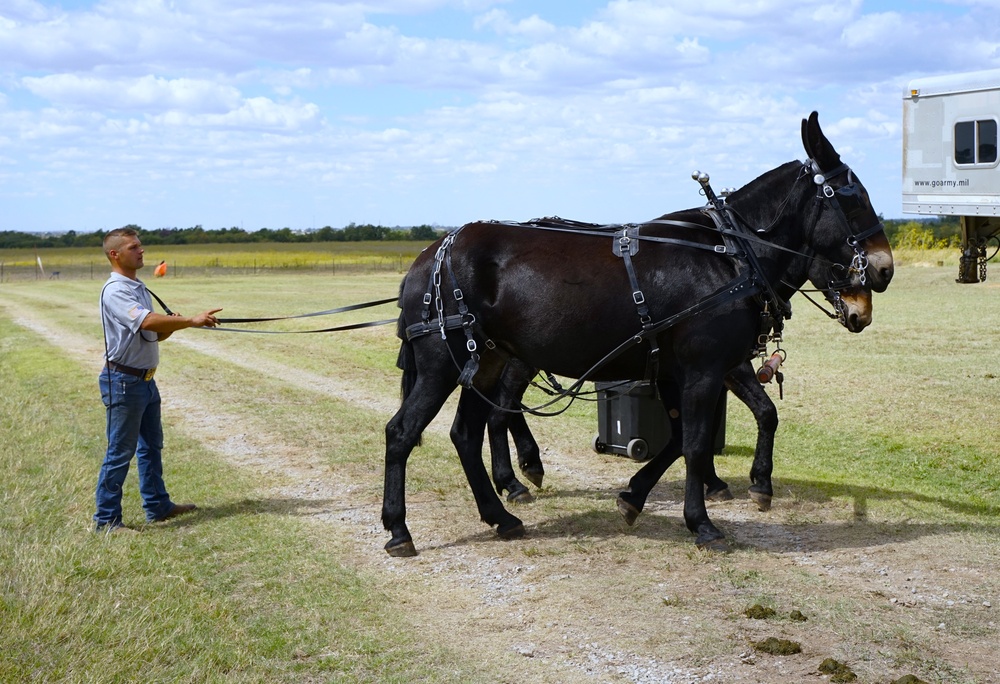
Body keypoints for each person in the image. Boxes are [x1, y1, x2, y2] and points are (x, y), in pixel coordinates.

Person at [94, 227, 222, 534]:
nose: (142, 251)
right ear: (115, 254)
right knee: (119, 453)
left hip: (145, 381)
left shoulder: (139, 287)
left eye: (140, 246)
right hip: (123, 382)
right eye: (133, 247)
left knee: (151, 446)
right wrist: (189, 320)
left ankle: (157, 506)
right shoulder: (116, 291)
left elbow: (152, 333)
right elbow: (147, 320)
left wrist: (174, 325)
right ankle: (107, 522)